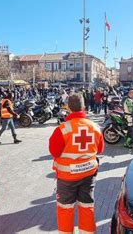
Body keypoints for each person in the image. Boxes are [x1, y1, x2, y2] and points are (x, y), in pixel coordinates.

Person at [49, 93, 104, 234]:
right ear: (84, 107)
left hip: (67, 178)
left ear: (68, 107)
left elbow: (54, 152)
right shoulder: (95, 127)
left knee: (65, 209)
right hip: (89, 175)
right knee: (87, 207)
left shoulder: (61, 129)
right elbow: (100, 149)